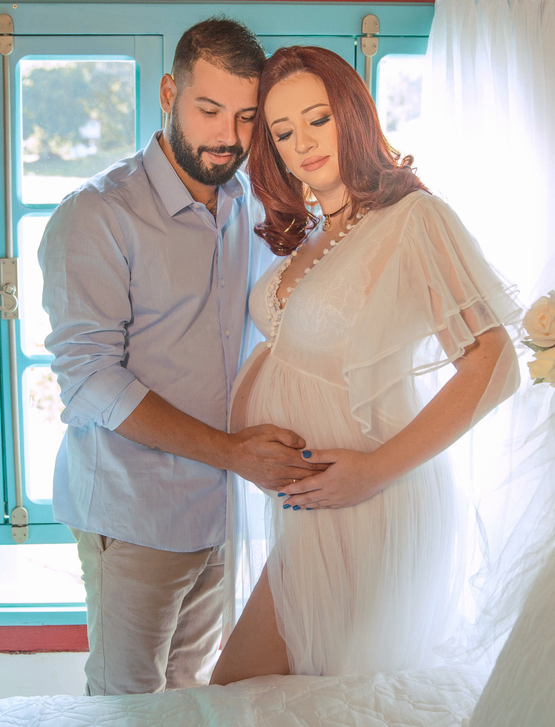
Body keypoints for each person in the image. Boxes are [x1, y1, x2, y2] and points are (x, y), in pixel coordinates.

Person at [210, 46, 521, 683]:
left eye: (318, 118)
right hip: (313, 507)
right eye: (283, 132)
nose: (303, 143)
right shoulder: (315, 235)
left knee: (241, 688)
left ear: (353, 114)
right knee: (283, 705)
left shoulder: (414, 220)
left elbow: (495, 364)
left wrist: (373, 473)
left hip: (368, 498)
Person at [39, 18, 320, 696]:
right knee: (126, 704)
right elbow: (89, 381)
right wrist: (233, 453)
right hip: (132, 515)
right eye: (209, 109)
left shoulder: (252, 203)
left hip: (220, 513)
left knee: (189, 694)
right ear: (169, 93)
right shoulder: (96, 215)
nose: (228, 136)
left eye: (247, 117)